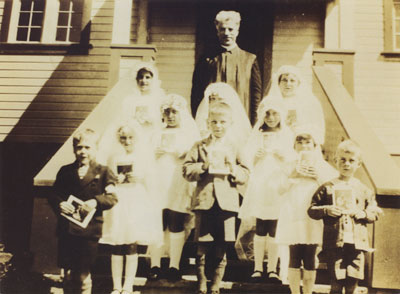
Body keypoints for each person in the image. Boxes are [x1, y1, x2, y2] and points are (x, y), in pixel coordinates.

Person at [183, 102, 249, 294]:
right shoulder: (200, 145)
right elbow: (186, 169)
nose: (218, 126)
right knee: (203, 242)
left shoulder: (235, 146)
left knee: (222, 242)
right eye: (214, 122)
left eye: (222, 122)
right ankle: (202, 281)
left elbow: (246, 173)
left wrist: (232, 169)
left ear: (230, 123)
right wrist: (203, 167)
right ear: (207, 123)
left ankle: (216, 283)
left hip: (227, 202)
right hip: (204, 200)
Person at [48, 129, 117, 294]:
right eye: (79, 147)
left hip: (89, 232)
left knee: (83, 274)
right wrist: (60, 204)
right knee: (69, 274)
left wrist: (96, 201)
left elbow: (112, 197)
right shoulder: (65, 171)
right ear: (74, 149)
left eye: (88, 147)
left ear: (95, 148)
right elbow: (54, 193)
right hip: (67, 230)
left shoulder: (104, 171)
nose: (83, 151)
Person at [308, 140, 382, 294]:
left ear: (358, 164)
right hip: (335, 241)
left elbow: (374, 212)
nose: (346, 164)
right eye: (342, 160)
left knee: (353, 277)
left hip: (356, 243)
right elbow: (311, 209)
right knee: (336, 278)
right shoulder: (327, 187)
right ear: (335, 161)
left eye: (351, 161)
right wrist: (327, 210)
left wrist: (364, 213)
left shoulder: (363, 189)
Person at [100, 123, 163, 294]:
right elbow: (107, 181)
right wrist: (115, 181)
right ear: (118, 139)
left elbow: (152, 180)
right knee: (117, 242)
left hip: (136, 199)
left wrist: (141, 178)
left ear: (136, 138)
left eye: (130, 137)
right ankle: (116, 286)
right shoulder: (113, 157)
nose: (127, 141)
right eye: (123, 138)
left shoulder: (144, 156)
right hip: (119, 200)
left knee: (131, 242)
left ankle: (128, 286)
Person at [275, 125, 338, 294]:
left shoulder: (322, 166)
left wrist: (317, 176)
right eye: (299, 142)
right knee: (294, 254)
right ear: (294, 146)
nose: (303, 146)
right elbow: (279, 189)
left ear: (314, 145)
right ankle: (295, 291)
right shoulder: (289, 166)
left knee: (310, 254)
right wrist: (293, 175)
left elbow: (333, 189)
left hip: (312, 216)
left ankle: (308, 291)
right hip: (293, 212)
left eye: (308, 142)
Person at [238, 99, 294, 283]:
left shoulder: (286, 134)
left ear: (281, 116)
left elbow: (294, 159)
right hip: (261, 182)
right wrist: (255, 157)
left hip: (277, 183)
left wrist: (283, 156)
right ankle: (257, 268)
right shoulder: (258, 134)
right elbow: (246, 157)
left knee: (274, 226)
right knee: (261, 225)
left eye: (275, 113)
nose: (270, 118)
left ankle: (272, 268)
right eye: (267, 114)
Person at [148, 94, 200, 282]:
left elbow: (194, 156)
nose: (170, 116)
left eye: (174, 112)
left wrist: (181, 152)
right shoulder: (156, 133)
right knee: (158, 222)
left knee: (176, 220)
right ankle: (155, 264)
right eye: (167, 112)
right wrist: (154, 153)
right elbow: (145, 156)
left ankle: (174, 265)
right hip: (158, 179)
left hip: (177, 180)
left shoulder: (189, 135)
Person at [191, 10, 262, 124]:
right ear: (217, 31)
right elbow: (196, 94)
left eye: (230, 29)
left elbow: (256, 96)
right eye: (222, 29)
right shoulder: (206, 59)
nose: (226, 33)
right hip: (213, 121)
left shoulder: (250, 59)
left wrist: (254, 123)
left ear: (237, 31)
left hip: (240, 121)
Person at [97, 62, 164, 164]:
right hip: (133, 139)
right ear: (136, 80)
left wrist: (153, 122)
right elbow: (123, 120)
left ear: (153, 79)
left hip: (153, 137)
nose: (143, 81)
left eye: (147, 77)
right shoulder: (129, 100)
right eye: (140, 77)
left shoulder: (159, 99)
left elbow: (163, 122)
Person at [259, 65, 325, 145]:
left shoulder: (310, 102)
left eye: (292, 80)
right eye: (284, 80)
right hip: (276, 141)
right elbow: (261, 124)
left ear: (298, 83)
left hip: (300, 142)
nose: (288, 84)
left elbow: (316, 127)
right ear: (278, 83)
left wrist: (299, 129)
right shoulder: (269, 101)